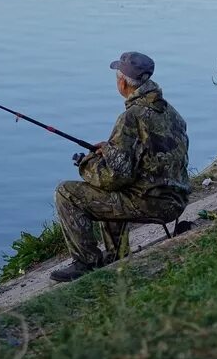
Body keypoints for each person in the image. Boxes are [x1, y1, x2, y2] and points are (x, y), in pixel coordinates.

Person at [50, 51, 190, 283]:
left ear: (123, 82)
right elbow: (150, 150)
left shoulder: (130, 117)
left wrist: (86, 164)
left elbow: (112, 178)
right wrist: (110, 148)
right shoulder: (170, 111)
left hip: (153, 203)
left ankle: (86, 262)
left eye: (117, 77)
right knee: (117, 190)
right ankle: (116, 255)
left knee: (66, 192)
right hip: (177, 198)